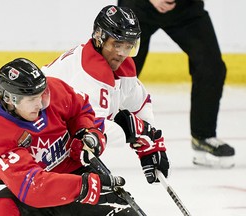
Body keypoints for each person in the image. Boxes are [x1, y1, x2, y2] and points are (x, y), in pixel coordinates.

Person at [0, 57, 139, 216]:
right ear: (10, 100)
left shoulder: (55, 90)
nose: (40, 104)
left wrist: (86, 133)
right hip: (41, 191)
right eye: (32, 99)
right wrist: (85, 187)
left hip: (77, 173)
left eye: (42, 95)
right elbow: (34, 187)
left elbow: (81, 109)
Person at [42, 5, 170, 186]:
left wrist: (151, 143)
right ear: (99, 37)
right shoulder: (87, 73)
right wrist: (131, 132)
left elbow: (141, 103)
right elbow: (90, 128)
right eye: (117, 45)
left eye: (129, 46)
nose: (122, 53)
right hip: (40, 145)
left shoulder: (122, 67)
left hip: (65, 143)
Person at [117, 0, 235, 168]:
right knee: (119, 66)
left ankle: (203, 136)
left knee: (211, 67)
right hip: (139, 6)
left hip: (184, 8)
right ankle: (88, 131)